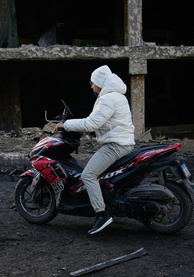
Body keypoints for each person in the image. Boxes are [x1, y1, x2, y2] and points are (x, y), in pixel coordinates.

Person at [58, 65, 136, 234]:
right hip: (124, 143)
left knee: (88, 174)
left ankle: (101, 215)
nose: (91, 86)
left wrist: (66, 125)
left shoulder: (108, 99)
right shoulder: (117, 96)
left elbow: (92, 123)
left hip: (115, 146)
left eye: (92, 83)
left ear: (100, 83)